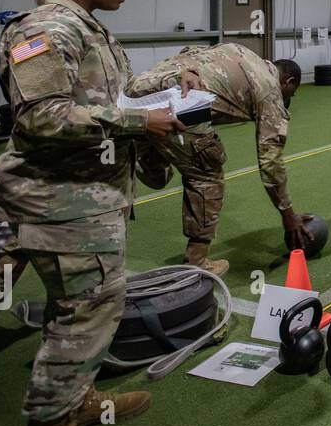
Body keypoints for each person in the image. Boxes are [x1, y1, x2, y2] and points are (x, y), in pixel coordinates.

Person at [0, 0, 189, 426]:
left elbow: (101, 99)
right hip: (59, 202)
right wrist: (138, 119)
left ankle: (78, 400)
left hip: (84, 197)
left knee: (79, 306)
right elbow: (39, 118)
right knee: (85, 311)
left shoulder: (86, 28)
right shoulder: (45, 29)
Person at [124, 44, 307, 273]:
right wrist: (288, 216)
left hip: (140, 89)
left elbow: (189, 49)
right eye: (292, 92)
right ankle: (197, 263)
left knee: (160, 177)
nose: (290, 97)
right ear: (287, 82)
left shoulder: (239, 50)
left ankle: (139, 142)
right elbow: (270, 162)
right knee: (207, 173)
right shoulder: (270, 90)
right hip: (178, 100)